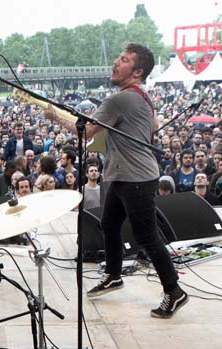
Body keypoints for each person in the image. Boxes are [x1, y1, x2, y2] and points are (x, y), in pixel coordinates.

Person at [44, 43, 188, 318]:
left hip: (135, 177)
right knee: (109, 224)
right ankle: (113, 274)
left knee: (147, 236)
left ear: (137, 72)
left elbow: (85, 132)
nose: (115, 63)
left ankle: (174, 291)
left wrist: (53, 115)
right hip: (125, 175)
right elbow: (154, 125)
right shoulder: (142, 97)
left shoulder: (119, 100)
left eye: (123, 60)